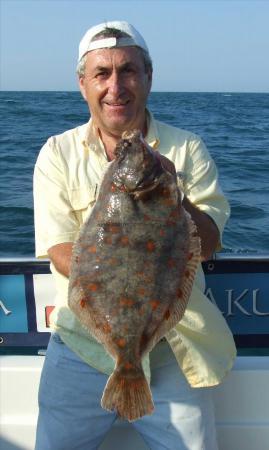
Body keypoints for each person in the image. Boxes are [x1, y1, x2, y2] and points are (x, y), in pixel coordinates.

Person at [34, 21, 236, 450]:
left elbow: (211, 239)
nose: (116, 86)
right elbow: (58, 247)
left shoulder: (187, 150)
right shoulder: (57, 153)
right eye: (102, 74)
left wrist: (173, 198)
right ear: (83, 84)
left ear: (148, 76)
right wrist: (119, 269)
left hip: (172, 346)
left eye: (128, 70)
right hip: (81, 345)